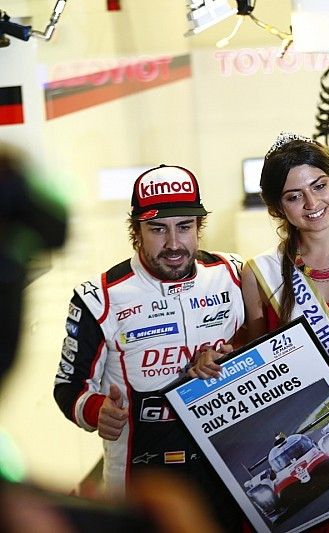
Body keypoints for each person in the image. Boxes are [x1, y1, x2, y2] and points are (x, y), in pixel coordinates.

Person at [193, 133, 329, 531]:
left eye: (319, 186)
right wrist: (217, 361)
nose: (312, 205)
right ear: (278, 206)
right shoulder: (259, 274)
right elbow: (253, 365)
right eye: (294, 196)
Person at [52, 164, 247, 531]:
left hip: (227, 466)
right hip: (140, 478)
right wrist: (96, 410)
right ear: (135, 231)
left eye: (184, 227)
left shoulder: (233, 275)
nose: (174, 244)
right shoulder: (99, 298)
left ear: (198, 227)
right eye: (158, 229)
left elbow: (270, 339)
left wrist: (233, 353)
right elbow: (68, 388)